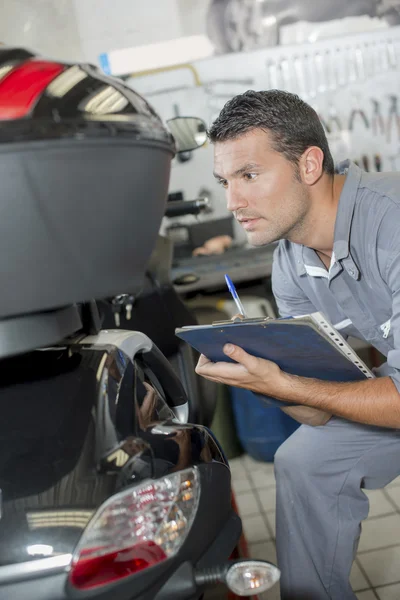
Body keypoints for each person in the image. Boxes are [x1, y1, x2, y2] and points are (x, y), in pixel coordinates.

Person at [195, 89, 400, 600]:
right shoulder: (290, 261)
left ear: (309, 164)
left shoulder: (392, 223)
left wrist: (290, 382)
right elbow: (320, 409)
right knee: (302, 460)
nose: (232, 202)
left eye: (249, 175)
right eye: (225, 182)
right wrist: (263, 380)